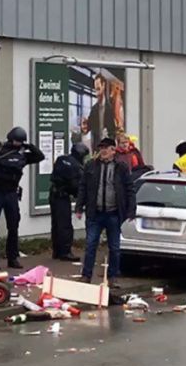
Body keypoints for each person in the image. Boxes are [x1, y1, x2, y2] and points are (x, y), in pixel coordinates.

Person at [0, 127, 45, 270]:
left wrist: (29, 146)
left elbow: (40, 156)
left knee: (13, 226)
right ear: (10, 138)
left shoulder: (22, 154)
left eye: (20, 142)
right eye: (16, 141)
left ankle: (12, 258)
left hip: (11, 193)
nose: (17, 144)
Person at [76, 138, 136, 286]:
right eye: (101, 148)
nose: (103, 151)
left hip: (113, 213)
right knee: (90, 245)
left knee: (114, 248)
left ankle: (113, 277)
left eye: (106, 148)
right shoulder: (91, 166)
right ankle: (86, 275)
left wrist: (131, 210)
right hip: (95, 213)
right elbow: (83, 187)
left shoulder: (121, 167)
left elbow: (129, 189)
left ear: (113, 151)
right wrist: (79, 207)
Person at [50, 142, 89, 261]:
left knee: (56, 224)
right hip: (63, 196)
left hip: (53, 194)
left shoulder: (61, 159)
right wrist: (82, 199)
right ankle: (65, 252)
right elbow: (75, 186)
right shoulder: (75, 166)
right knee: (65, 225)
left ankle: (56, 251)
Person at [84, 74, 118, 149]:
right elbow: (88, 128)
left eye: (98, 89)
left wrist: (111, 145)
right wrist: (84, 126)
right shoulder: (94, 109)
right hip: (96, 148)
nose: (97, 93)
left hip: (108, 147)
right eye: (95, 90)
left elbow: (114, 129)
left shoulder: (111, 107)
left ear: (103, 86)